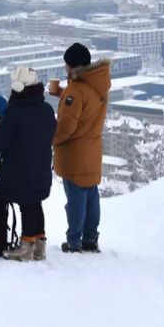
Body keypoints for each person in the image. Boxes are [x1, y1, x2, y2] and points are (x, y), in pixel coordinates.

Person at [0, 67, 57, 262]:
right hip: (42, 168)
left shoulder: (15, 112)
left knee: (26, 203)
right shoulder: (47, 110)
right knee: (35, 202)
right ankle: (39, 245)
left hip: (18, 171)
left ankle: (26, 246)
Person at [50, 43, 111, 253]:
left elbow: (66, 126)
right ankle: (91, 239)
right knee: (92, 197)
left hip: (74, 154)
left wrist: (51, 139)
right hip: (92, 150)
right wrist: (61, 93)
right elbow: (86, 104)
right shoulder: (97, 84)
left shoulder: (75, 91)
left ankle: (74, 241)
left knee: (76, 201)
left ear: (71, 65)